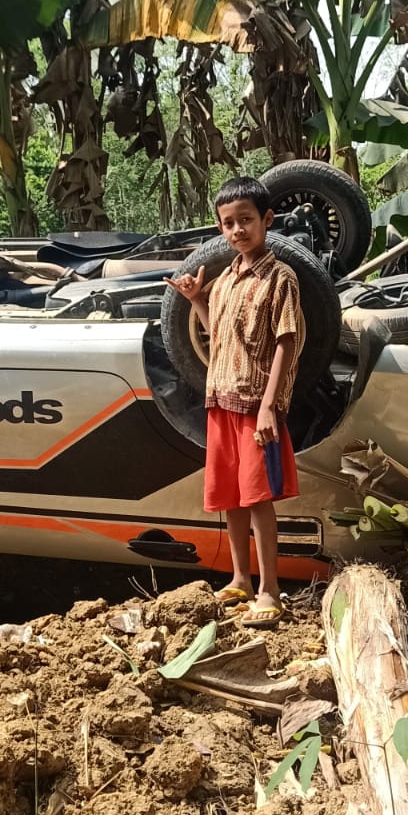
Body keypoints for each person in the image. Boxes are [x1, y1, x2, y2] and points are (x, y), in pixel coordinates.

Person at [166, 177, 304, 628]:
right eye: (228, 223)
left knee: (259, 497)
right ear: (219, 227)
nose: (237, 230)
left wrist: (269, 406)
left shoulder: (281, 276)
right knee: (231, 496)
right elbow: (219, 333)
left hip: (255, 404)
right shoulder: (223, 280)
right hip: (220, 398)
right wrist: (195, 300)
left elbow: (288, 341)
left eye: (246, 220)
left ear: (267, 220)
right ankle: (240, 578)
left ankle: (270, 590)